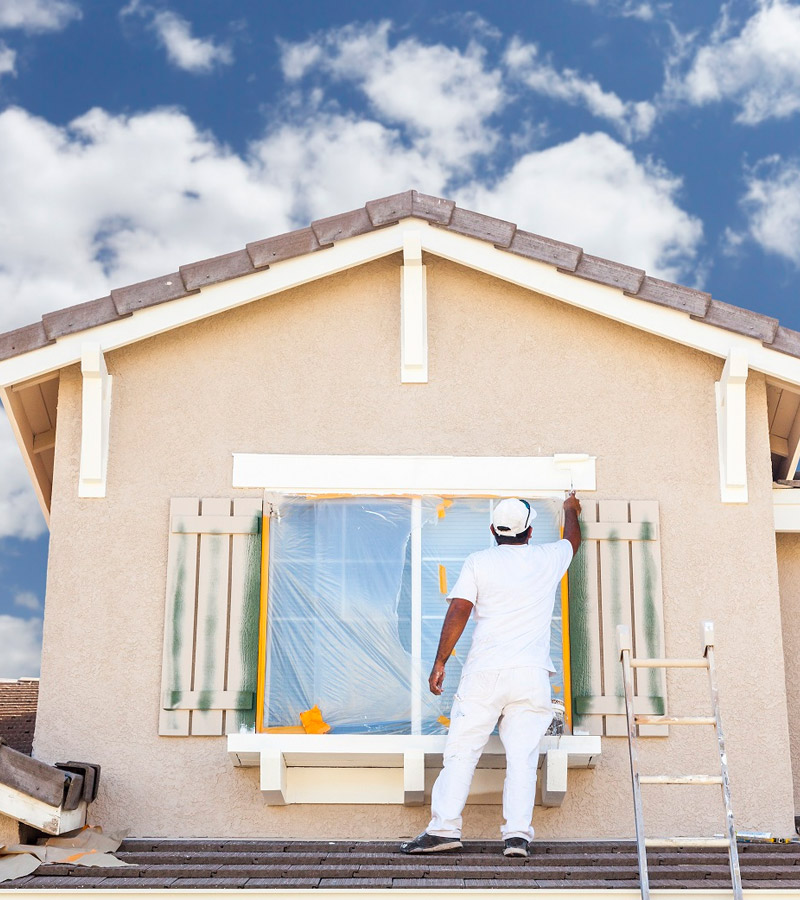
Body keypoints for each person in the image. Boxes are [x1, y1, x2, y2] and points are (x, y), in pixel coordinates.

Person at [400, 492, 582, 858]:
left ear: (492, 530)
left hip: (485, 672)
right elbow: (572, 541)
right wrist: (570, 510)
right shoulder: (547, 558)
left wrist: (440, 662)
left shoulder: (479, 562)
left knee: (462, 752)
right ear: (529, 532)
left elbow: (460, 610)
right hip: (530, 675)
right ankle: (516, 837)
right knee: (523, 757)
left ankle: (443, 830)